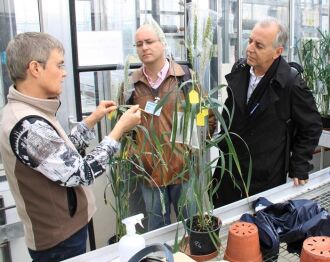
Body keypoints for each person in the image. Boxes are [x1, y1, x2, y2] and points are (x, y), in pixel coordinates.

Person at [0, 32, 141, 261]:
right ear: (35, 68)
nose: (65, 73)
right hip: (58, 241)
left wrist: (92, 120)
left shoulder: (32, 112)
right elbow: (80, 173)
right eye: (59, 65)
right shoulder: (26, 125)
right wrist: (119, 131)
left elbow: (58, 155)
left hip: (63, 233)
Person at [212, 17, 322, 208]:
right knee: (227, 224)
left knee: (259, 230)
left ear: (277, 52)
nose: (250, 48)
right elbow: (231, 109)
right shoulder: (240, 68)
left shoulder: (291, 83)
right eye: (250, 41)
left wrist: (299, 165)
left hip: (264, 174)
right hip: (230, 169)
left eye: (259, 45)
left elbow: (311, 126)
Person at [128, 22, 216, 231]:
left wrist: (194, 150)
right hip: (149, 173)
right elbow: (125, 127)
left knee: (192, 225)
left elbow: (208, 117)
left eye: (149, 42)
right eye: (139, 44)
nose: (144, 48)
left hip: (183, 170)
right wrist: (136, 153)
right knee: (157, 229)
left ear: (162, 43)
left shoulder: (185, 79)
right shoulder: (131, 84)